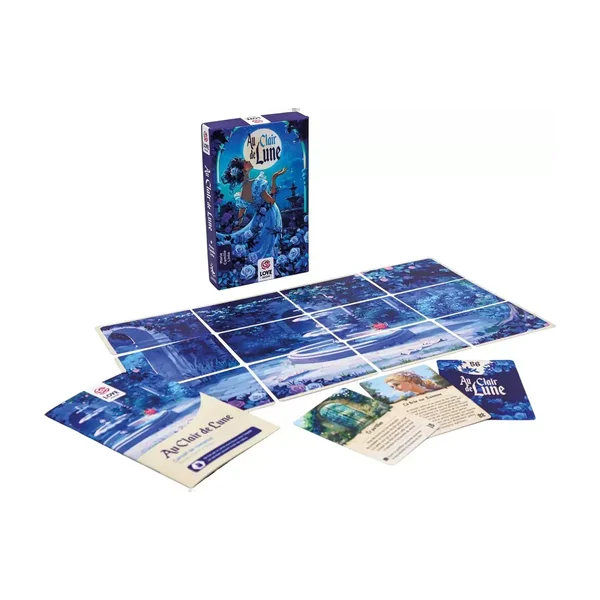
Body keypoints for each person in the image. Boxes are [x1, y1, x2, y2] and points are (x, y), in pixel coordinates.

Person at [218, 157, 287, 259]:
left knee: (263, 242)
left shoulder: (243, 192)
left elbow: (240, 216)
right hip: (270, 215)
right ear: (243, 170)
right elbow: (272, 201)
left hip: (259, 218)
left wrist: (236, 227)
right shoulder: (255, 184)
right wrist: (274, 178)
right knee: (269, 243)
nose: (249, 161)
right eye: (246, 162)